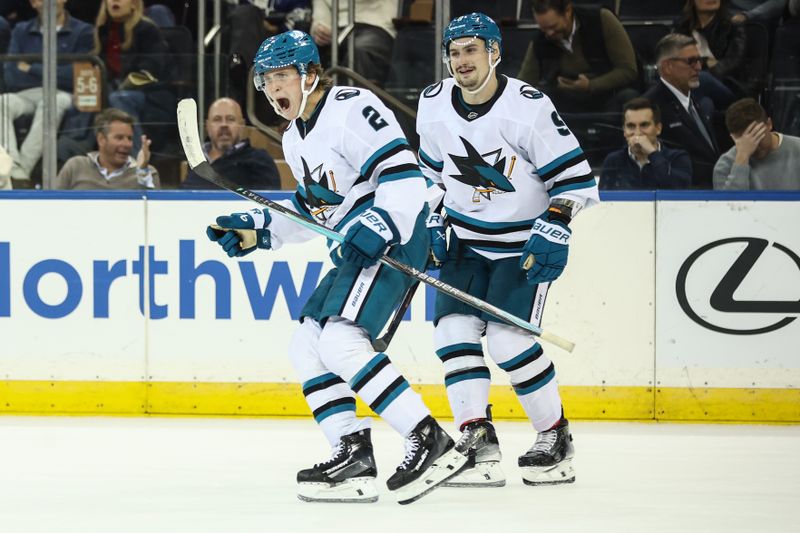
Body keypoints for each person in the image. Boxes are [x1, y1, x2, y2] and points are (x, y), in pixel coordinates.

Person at [206, 30, 467, 504]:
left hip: (398, 239)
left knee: (341, 339)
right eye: (264, 81)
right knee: (306, 343)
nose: (272, 90)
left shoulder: (353, 108)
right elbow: (315, 213)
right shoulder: (294, 136)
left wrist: (382, 220)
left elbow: (404, 178)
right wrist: (259, 228)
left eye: (281, 77)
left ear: (309, 74)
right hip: (358, 249)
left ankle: (429, 438)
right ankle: (352, 452)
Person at [417, 13, 598, 488]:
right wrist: (433, 216)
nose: (462, 61)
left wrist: (557, 220)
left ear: (495, 53)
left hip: (522, 246)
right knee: (452, 336)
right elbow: (431, 176)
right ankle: (478, 441)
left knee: (508, 342)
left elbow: (576, 179)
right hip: (463, 242)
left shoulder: (528, 107)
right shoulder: (433, 104)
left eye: (472, 50)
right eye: (454, 53)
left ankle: (554, 436)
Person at [0, 0, 93, 186]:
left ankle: (20, 173)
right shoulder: (21, 30)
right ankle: (13, 167)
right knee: (3, 101)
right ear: (33, 3)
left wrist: (30, 68)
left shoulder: (83, 31)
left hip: (64, 94)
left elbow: (77, 75)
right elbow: (11, 74)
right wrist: (54, 70)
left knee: (51, 102)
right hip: (27, 93)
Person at [517, 0, 639, 112]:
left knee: (628, 97)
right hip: (567, 103)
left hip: (609, 95)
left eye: (553, 27)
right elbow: (524, 82)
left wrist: (590, 85)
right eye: (544, 29)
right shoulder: (540, 40)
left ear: (568, 11)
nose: (549, 33)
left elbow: (628, 70)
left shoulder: (601, 19)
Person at [92, 0, 169, 155]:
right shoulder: (103, 31)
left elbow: (152, 69)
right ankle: (74, 154)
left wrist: (123, 83)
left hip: (149, 93)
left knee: (119, 98)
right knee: (84, 100)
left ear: (134, 4)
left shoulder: (147, 29)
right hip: (113, 89)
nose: (114, 1)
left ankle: (135, 161)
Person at [644, 33, 720, 189]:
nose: (698, 67)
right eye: (691, 61)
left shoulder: (696, 98)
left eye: (699, 60)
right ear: (667, 67)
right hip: (682, 196)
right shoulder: (650, 107)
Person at [181, 97, 281, 190]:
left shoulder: (258, 158)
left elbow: (270, 201)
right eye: (217, 119)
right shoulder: (196, 159)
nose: (224, 125)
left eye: (230, 119)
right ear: (207, 126)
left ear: (241, 125)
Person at [600, 97, 693, 190]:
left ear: (658, 128)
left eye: (644, 125)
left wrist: (653, 154)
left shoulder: (677, 158)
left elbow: (679, 195)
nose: (637, 132)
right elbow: (603, 201)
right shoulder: (613, 161)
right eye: (631, 126)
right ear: (624, 131)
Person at [55, 107, 158, 189]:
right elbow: (52, 206)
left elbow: (156, 210)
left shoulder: (146, 173)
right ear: (101, 139)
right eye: (119, 138)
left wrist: (142, 172)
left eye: (129, 138)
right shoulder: (76, 167)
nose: (127, 144)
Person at [713, 97, 800, 189]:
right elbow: (730, 203)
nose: (753, 146)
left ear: (769, 124)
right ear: (733, 137)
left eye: (757, 136)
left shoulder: (797, 149)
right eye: (745, 141)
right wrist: (742, 158)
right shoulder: (724, 165)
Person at [673, 0, 746, 105]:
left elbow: (735, 62)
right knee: (705, 104)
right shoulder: (682, 26)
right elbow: (674, 58)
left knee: (701, 78)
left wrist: (709, 70)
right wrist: (706, 61)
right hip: (692, 84)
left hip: (727, 84)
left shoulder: (732, 25)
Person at [310, 0, 398, 86]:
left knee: (358, 52)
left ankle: (346, 96)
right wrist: (319, 29)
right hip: (338, 32)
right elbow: (320, 15)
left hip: (377, 26)